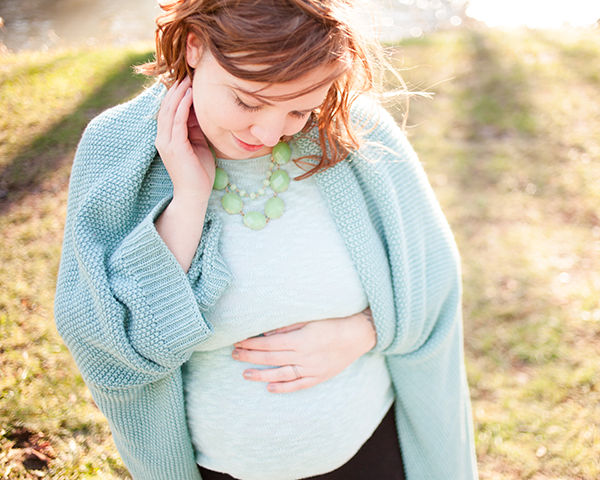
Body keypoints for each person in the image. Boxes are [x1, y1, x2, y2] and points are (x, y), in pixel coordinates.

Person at [54, 0, 477, 479]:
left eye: (300, 108)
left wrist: (363, 332)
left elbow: (433, 282)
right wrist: (188, 199)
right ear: (195, 46)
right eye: (248, 101)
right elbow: (119, 349)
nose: (270, 132)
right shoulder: (114, 148)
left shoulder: (356, 132)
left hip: (374, 454)